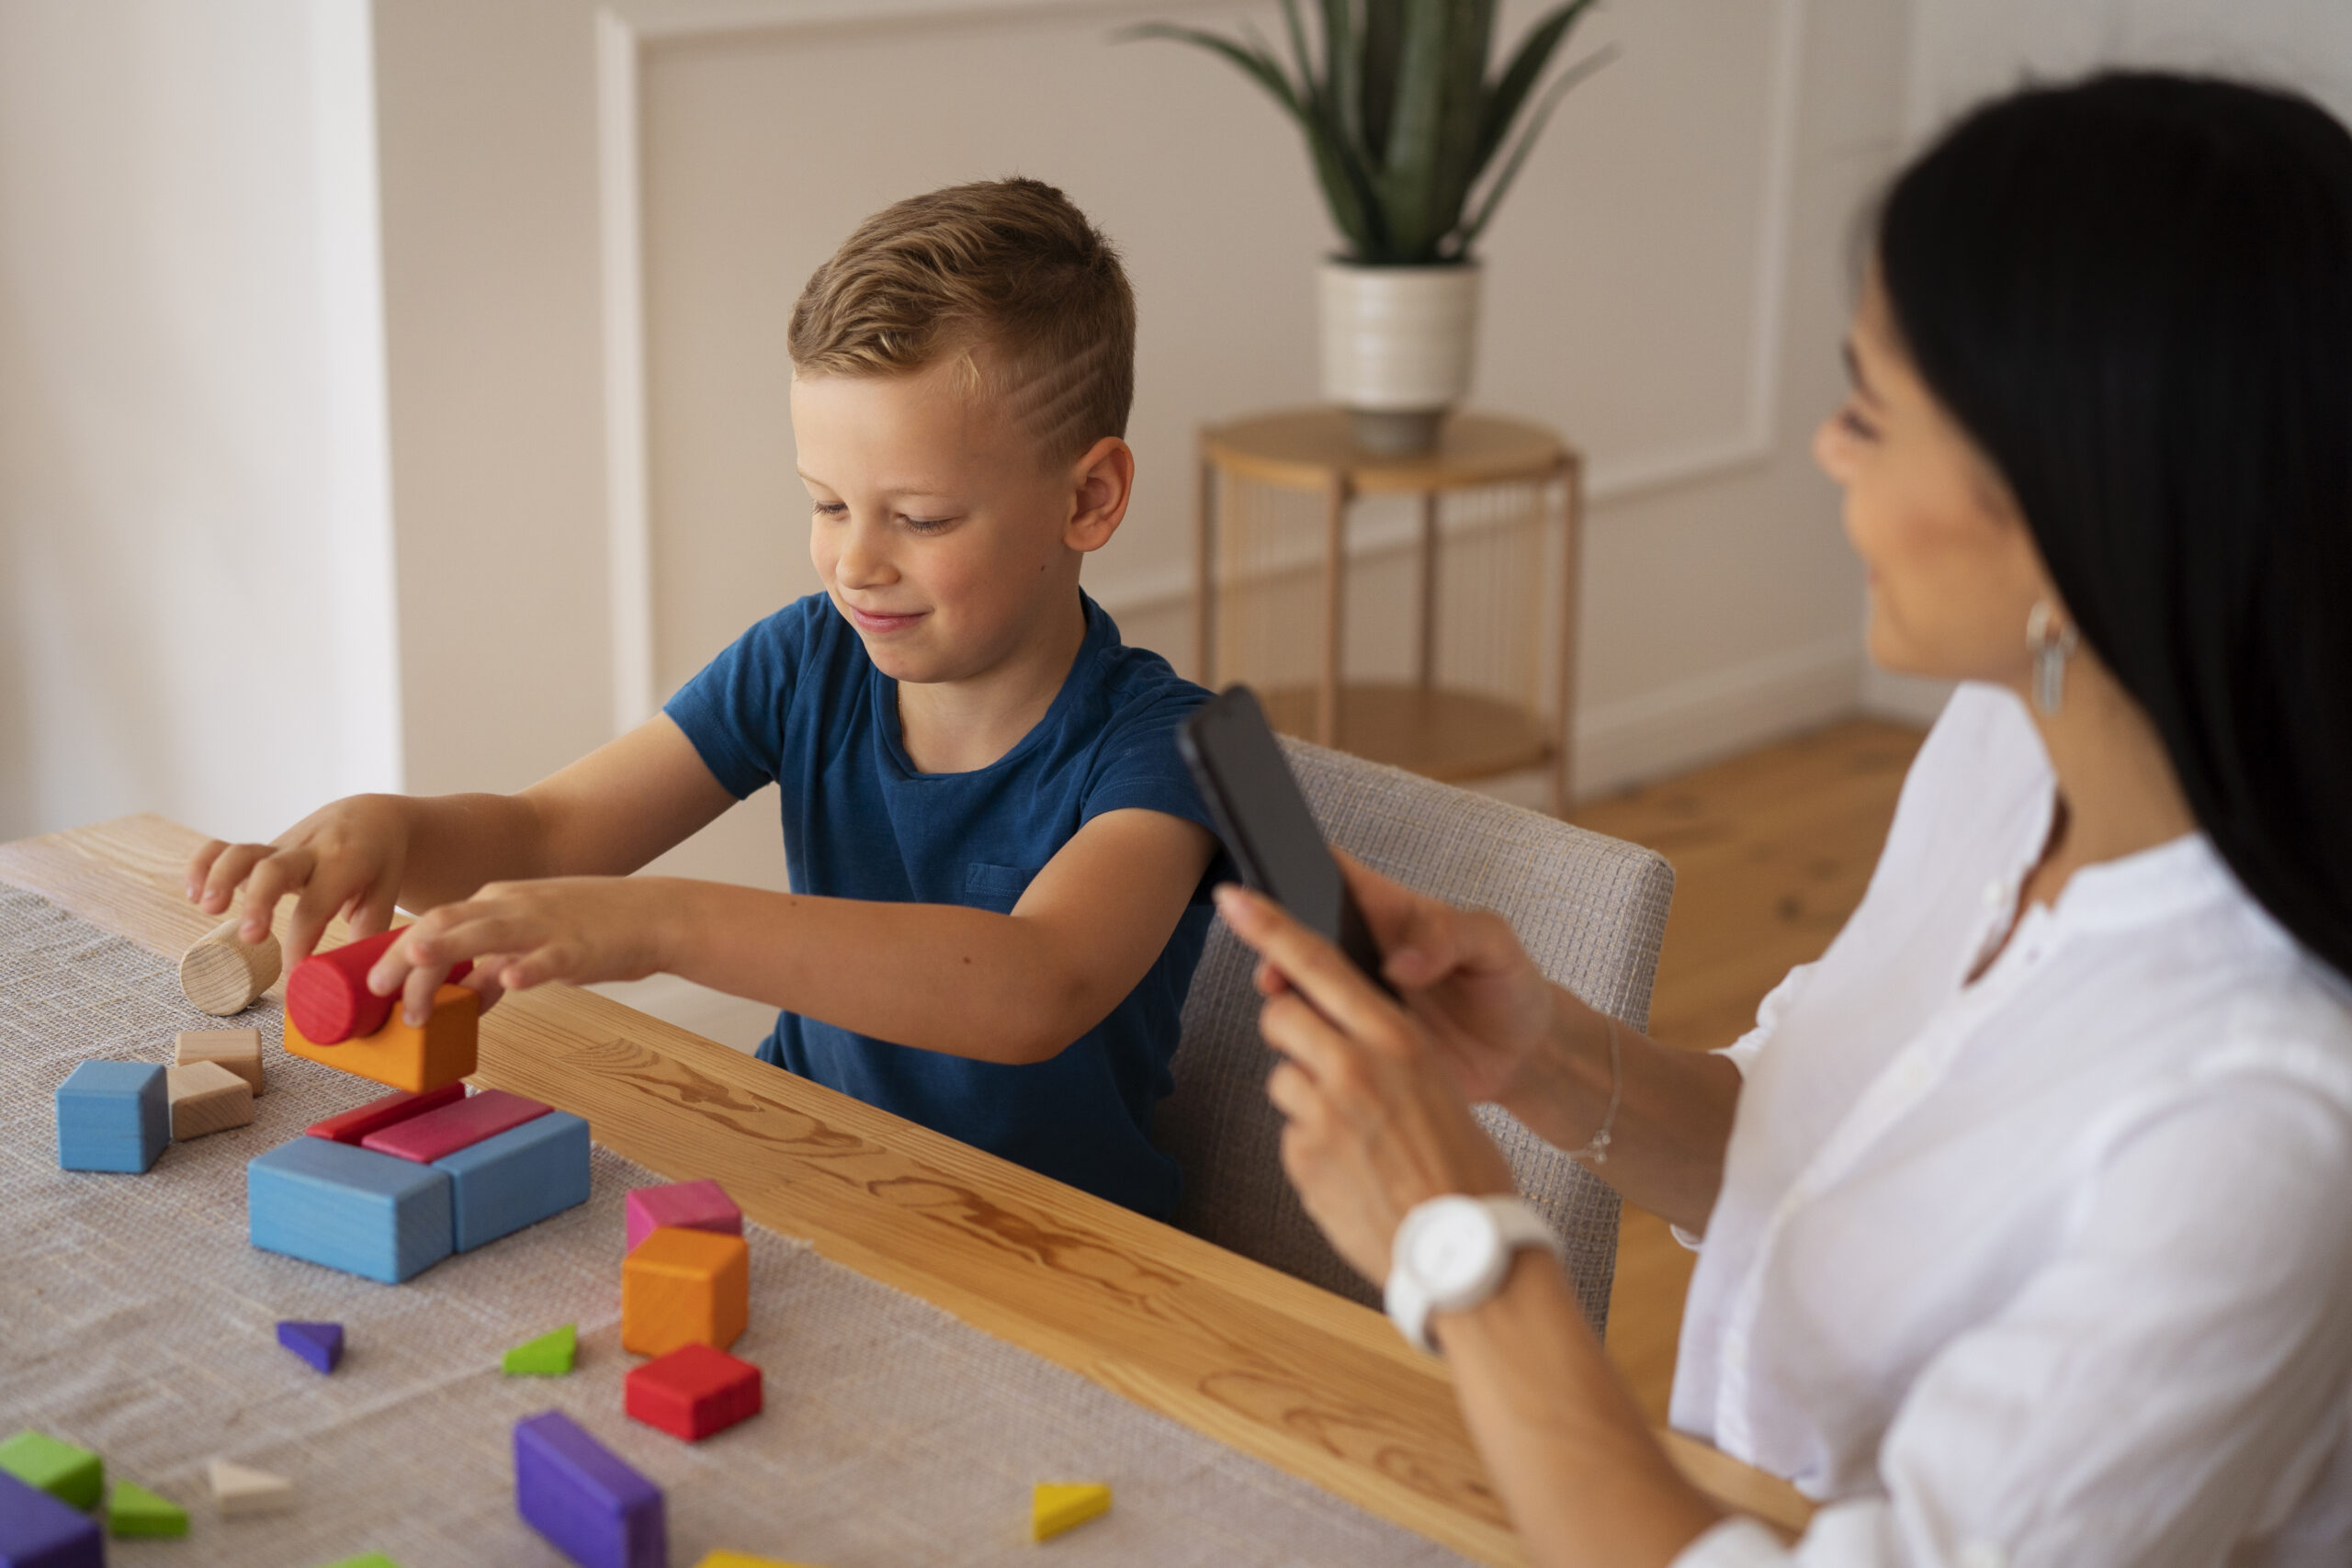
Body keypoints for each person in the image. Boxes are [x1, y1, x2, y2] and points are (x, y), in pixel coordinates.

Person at [1214, 72, 2352, 1565]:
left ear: (2076, 514)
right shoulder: (2010, 741)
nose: (1824, 446)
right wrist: (1545, 1053)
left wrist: (1463, 1248)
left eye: (1873, 413)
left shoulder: (2263, 1131)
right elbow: (1821, 1150)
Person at [185, 178, 1221, 1220]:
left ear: (1088, 498)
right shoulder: (806, 660)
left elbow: (1036, 985)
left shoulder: (1174, 745)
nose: (853, 563)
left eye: (920, 517)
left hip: (1062, 1251)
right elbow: (547, 836)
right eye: (826, 504)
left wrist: (663, 923)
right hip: (812, 1177)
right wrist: (394, 832)